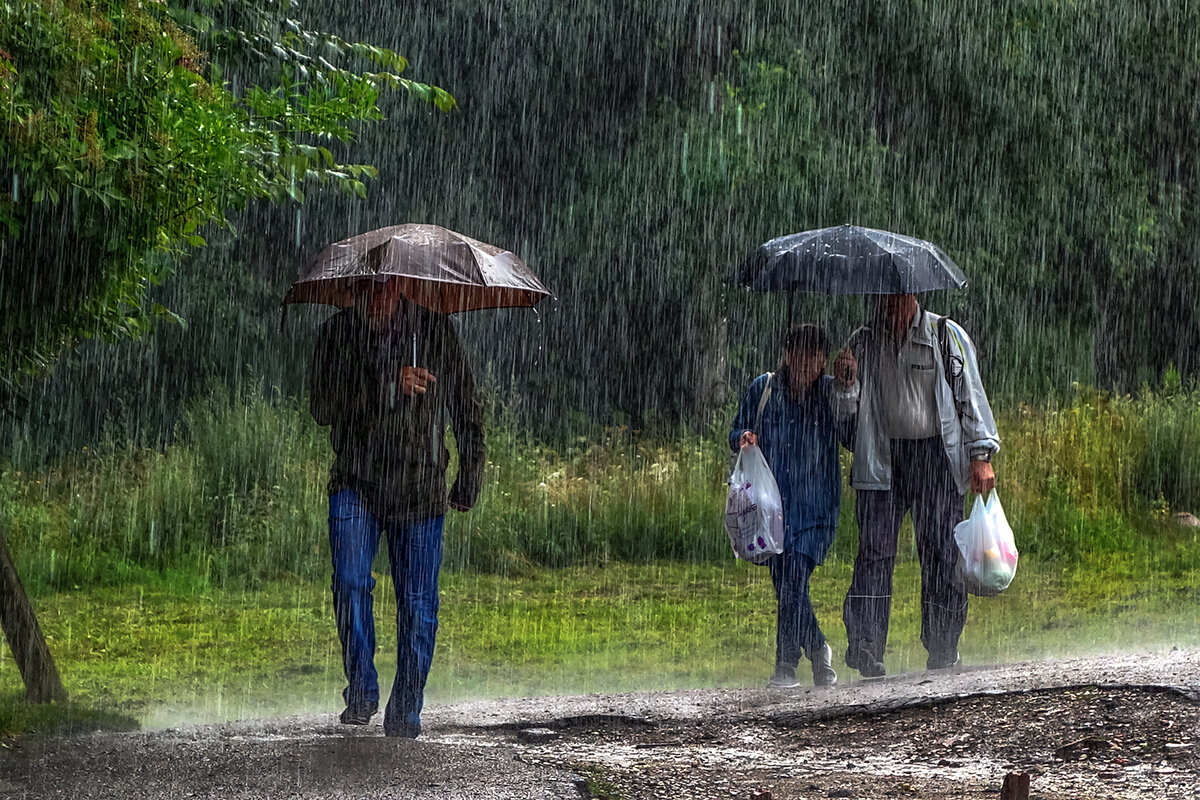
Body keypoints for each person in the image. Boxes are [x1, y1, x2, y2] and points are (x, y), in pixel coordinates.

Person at [309, 277, 485, 738]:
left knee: (419, 607)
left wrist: (470, 474)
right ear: (356, 286)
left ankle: (405, 711)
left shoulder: (435, 331)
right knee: (348, 583)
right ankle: (362, 688)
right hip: (356, 480)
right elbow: (322, 406)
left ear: (403, 285)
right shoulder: (336, 334)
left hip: (421, 487)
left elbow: (467, 407)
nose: (377, 294)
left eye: (386, 285)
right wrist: (387, 385)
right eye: (368, 285)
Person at [832, 293, 998, 678]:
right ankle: (866, 646)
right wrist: (844, 386)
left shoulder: (945, 334)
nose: (888, 306)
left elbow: (969, 396)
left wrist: (981, 454)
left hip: (936, 455)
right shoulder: (860, 342)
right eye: (881, 298)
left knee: (941, 551)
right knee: (874, 551)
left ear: (914, 296)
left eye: (896, 298)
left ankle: (943, 646)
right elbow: (847, 427)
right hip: (882, 456)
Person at [729, 324, 855, 689]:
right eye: (800, 354)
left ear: (823, 361)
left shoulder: (830, 394)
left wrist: (848, 388)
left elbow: (851, 437)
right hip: (772, 513)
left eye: (816, 356)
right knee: (786, 584)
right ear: (788, 354)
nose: (807, 363)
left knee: (793, 578)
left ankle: (786, 666)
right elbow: (736, 430)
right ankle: (817, 650)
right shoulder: (764, 389)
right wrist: (744, 438)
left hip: (816, 509)